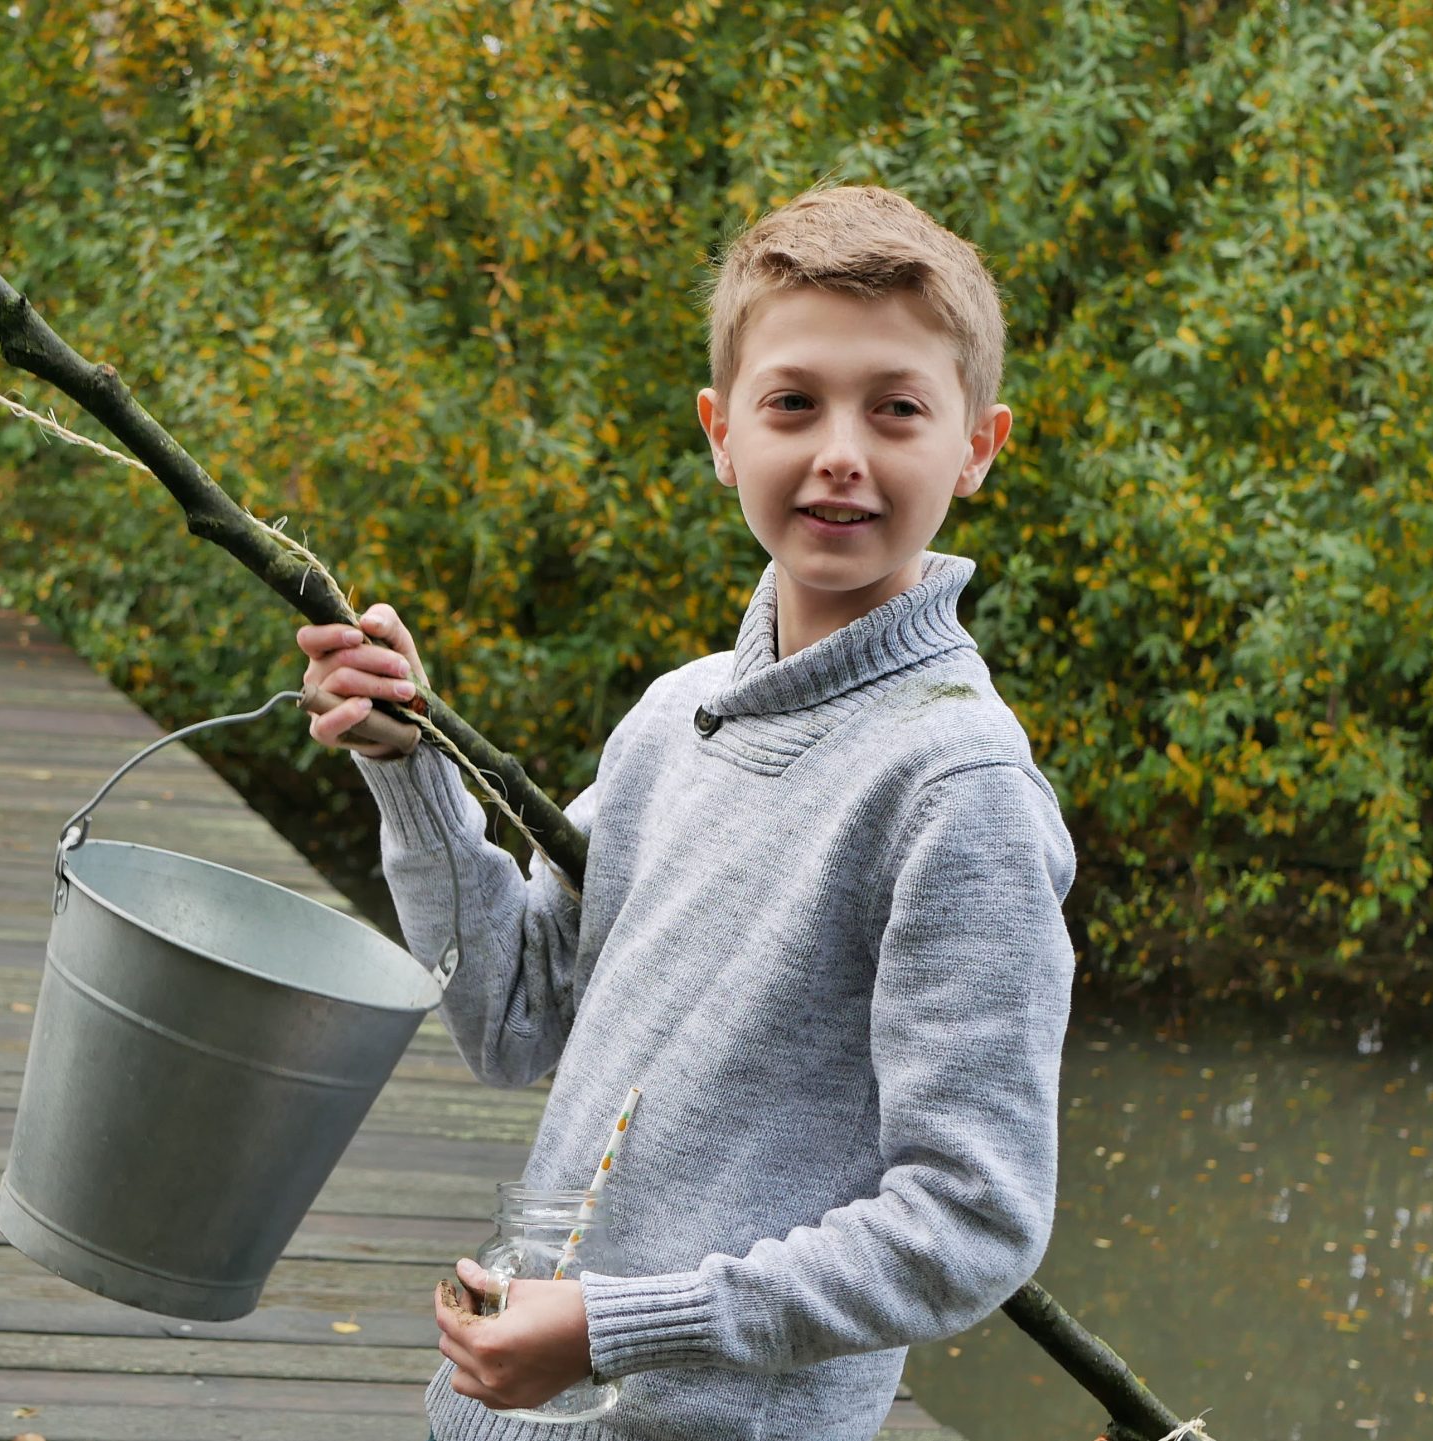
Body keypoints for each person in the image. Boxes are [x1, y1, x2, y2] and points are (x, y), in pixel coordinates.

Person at [294, 184, 1076, 1441]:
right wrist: (408, 762)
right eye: (792, 402)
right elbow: (510, 1016)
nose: (839, 450)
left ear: (976, 446)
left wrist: (614, 1325)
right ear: (721, 432)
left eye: (895, 408)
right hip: (506, 1417)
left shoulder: (959, 789)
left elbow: (969, 1221)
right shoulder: (677, 716)